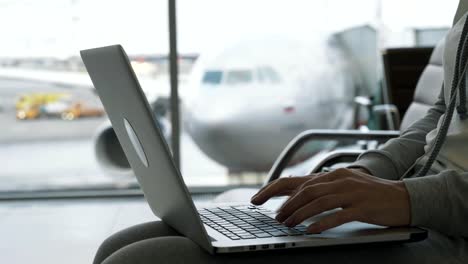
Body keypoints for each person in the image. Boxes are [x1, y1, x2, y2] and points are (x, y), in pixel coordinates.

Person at [93, 1, 468, 263]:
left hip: (451, 230)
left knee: (140, 259)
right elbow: (442, 112)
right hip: (415, 204)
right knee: (121, 243)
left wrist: (407, 199)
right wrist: (366, 172)